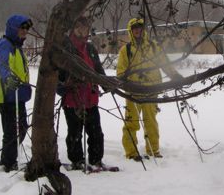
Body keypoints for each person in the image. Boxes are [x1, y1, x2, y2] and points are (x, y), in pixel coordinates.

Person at [117, 18, 181, 161]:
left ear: (143, 29)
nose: (137, 30)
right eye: (134, 28)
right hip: (132, 92)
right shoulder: (125, 50)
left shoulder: (153, 47)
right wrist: (125, 83)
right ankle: (131, 152)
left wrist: (174, 75)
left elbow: (164, 63)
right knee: (131, 122)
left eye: (140, 27)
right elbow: (120, 72)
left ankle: (153, 149)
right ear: (130, 31)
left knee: (150, 121)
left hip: (151, 90)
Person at [58, 16, 106, 169]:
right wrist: (63, 87)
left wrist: (107, 84)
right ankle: (77, 160)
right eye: (79, 27)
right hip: (73, 98)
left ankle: (96, 160)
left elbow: (98, 69)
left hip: (91, 98)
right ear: (73, 28)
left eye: (85, 28)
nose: (82, 30)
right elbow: (58, 75)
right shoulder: (66, 47)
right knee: (75, 132)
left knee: (96, 132)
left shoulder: (90, 48)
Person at [0, 15, 33, 172]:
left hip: (19, 95)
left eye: (26, 29)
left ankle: (8, 158)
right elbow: (3, 64)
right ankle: (8, 162)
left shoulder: (17, 47)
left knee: (22, 127)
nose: (24, 32)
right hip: (8, 96)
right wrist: (10, 80)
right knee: (11, 130)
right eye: (21, 28)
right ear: (13, 29)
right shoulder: (5, 45)